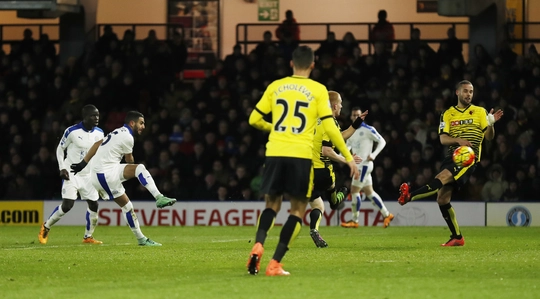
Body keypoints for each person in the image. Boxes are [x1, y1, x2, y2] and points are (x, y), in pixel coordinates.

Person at [246, 46, 359, 276]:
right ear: (312, 66)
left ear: (291, 64)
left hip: (275, 151)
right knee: (297, 210)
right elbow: (330, 127)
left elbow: (253, 119)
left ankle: (258, 245)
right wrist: (348, 158)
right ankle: (275, 262)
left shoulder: (275, 86)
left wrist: (275, 129)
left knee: (271, 206)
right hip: (300, 155)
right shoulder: (318, 90)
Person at [398, 80, 504, 246]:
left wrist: (490, 123)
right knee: (442, 198)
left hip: (468, 157)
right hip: (452, 157)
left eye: (471, 91)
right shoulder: (447, 114)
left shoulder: (479, 112)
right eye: (465, 91)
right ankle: (457, 237)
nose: (469, 94)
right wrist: (458, 140)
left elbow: (489, 137)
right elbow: (443, 139)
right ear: (457, 92)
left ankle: (409, 196)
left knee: (442, 176)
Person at [70, 111, 177, 246]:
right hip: (105, 174)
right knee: (139, 169)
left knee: (127, 206)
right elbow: (129, 159)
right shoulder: (128, 137)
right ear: (132, 123)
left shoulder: (118, 131)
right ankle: (159, 197)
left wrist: (83, 163)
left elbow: (98, 143)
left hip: (102, 172)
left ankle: (141, 239)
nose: (143, 126)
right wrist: (131, 164)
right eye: (141, 123)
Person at [38, 105, 105, 245]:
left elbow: (99, 154)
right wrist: (62, 168)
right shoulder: (72, 131)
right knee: (68, 205)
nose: (96, 118)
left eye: (98, 115)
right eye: (93, 115)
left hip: (89, 176)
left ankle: (88, 237)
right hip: (72, 173)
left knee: (94, 205)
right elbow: (60, 149)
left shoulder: (100, 133)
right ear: (85, 117)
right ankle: (46, 227)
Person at [308, 91, 366, 248]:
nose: (341, 106)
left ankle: (314, 230)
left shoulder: (315, 120)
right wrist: (347, 160)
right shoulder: (329, 122)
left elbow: (339, 137)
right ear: (334, 106)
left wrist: (355, 124)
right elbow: (326, 151)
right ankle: (342, 192)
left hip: (307, 172)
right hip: (323, 171)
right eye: (340, 103)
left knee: (318, 206)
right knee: (333, 202)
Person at [341, 107, 394, 229]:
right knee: (369, 192)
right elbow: (347, 147)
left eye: (358, 115)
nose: (356, 117)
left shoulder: (368, 129)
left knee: (354, 191)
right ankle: (387, 215)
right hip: (359, 166)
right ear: (351, 117)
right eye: (354, 115)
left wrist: (374, 154)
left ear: (362, 117)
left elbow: (382, 141)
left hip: (363, 165)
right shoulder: (350, 131)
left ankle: (354, 220)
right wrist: (340, 157)